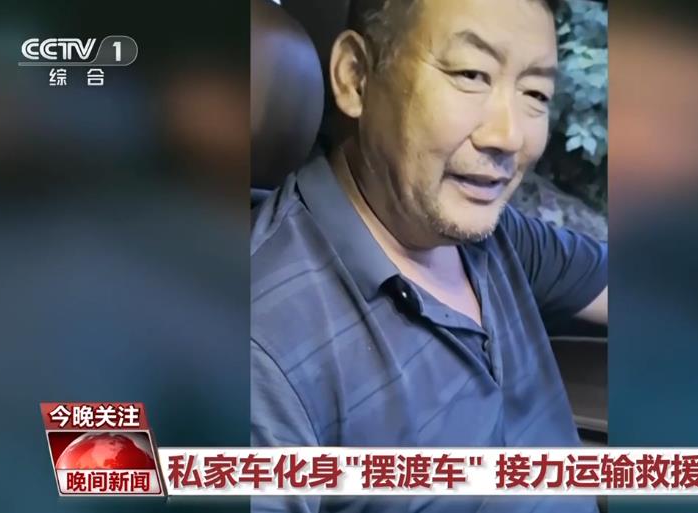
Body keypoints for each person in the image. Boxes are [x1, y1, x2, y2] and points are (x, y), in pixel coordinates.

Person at [251, 0, 607, 511]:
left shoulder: (498, 238)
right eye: (471, 74)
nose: (509, 137)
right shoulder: (263, 344)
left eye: (535, 93)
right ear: (355, 78)